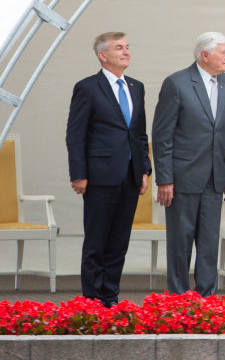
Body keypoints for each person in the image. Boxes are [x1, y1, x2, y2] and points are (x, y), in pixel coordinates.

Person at [66, 32, 151, 307]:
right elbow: (75, 134)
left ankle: (109, 298)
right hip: (100, 176)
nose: (126, 52)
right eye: (119, 48)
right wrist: (78, 173)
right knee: (97, 242)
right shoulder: (88, 87)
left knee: (118, 242)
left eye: (127, 47)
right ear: (103, 55)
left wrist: (145, 170)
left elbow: (139, 133)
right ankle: (92, 302)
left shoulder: (136, 87)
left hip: (130, 175)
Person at [152, 31, 225, 296]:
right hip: (182, 179)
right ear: (205, 55)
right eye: (223, 52)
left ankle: (207, 298)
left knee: (209, 243)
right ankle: (178, 299)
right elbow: (162, 136)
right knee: (180, 243)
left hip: (215, 179)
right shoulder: (177, 84)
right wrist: (165, 179)